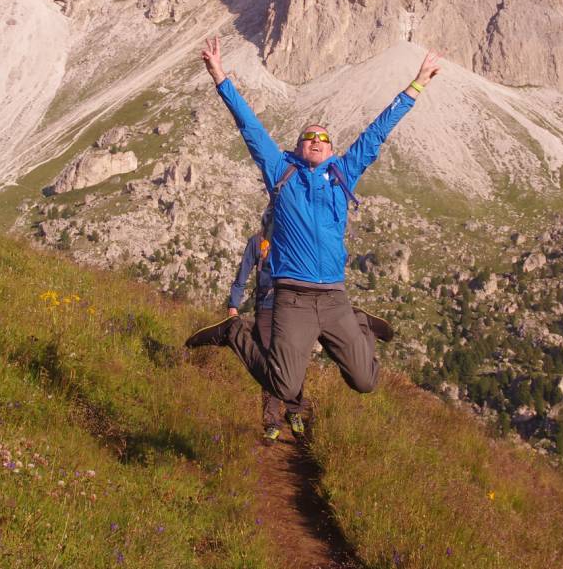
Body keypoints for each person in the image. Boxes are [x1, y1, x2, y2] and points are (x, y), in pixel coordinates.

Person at [186, 37, 440, 406]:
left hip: (335, 298)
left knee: (366, 381)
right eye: (309, 137)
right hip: (293, 299)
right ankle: (233, 333)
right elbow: (250, 127)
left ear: (332, 149)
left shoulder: (343, 174)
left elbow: (377, 133)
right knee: (284, 388)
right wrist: (219, 76)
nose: (317, 140)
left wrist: (417, 84)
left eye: (323, 137)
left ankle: (362, 324)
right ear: (299, 146)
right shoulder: (280, 172)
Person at [229, 229, 308, 443]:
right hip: (265, 308)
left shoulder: (295, 236)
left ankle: (293, 411)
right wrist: (233, 306)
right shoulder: (257, 242)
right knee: (268, 363)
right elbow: (242, 274)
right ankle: (272, 423)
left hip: (291, 307)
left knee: (294, 359)